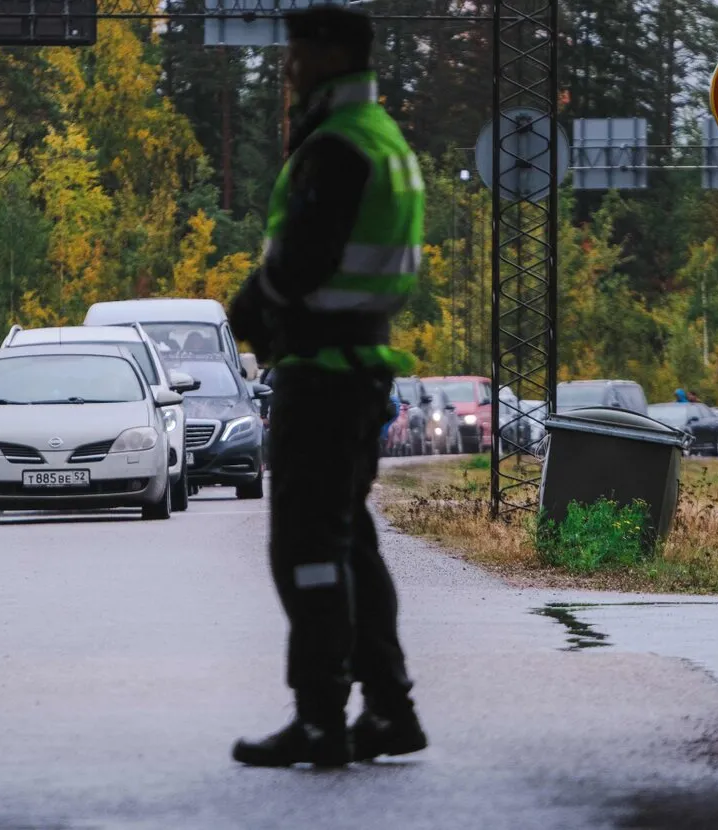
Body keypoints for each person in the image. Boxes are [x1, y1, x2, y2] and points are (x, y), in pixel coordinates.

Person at [227, 5, 428, 768]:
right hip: (359, 370)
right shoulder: (382, 138)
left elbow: (296, 267)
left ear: (332, 55)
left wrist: (246, 314)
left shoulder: (337, 147)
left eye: (297, 54)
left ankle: (319, 720)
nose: (287, 68)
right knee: (350, 547)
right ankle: (389, 708)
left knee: (306, 552)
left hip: (321, 374)